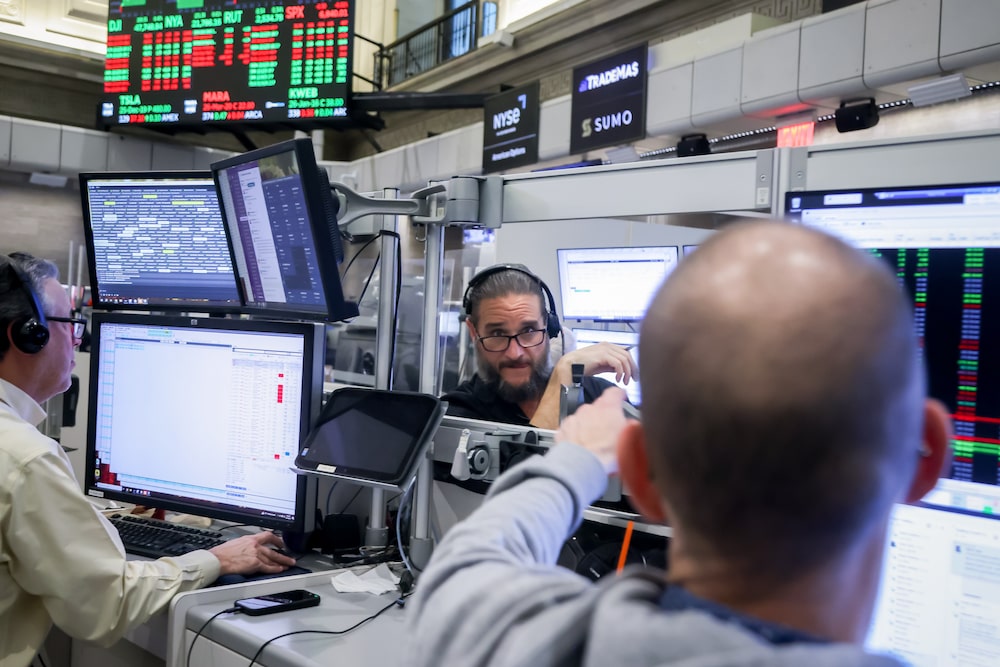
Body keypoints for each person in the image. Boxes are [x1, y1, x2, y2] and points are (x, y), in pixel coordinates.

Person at [406, 222, 952, 667]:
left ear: (642, 473)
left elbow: (463, 576)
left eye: (529, 332)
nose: (516, 349)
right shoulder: (464, 407)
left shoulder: (521, 648)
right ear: (923, 457)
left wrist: (573, 462)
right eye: (498, 335)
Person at [0, 253, 296, 666]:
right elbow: (106, 605)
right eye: (70, 324)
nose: (78, 340)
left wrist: (87, 516)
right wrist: (215, 559)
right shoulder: (25, 457)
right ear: (28, 336)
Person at [444, 264, 637, 429]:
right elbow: (526, 472)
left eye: (528, 331)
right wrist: (561, 378)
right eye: (497, 334)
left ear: (548, 327)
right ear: (473, 331)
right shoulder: (454, 415)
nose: (515, 353)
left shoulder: (601, 397)